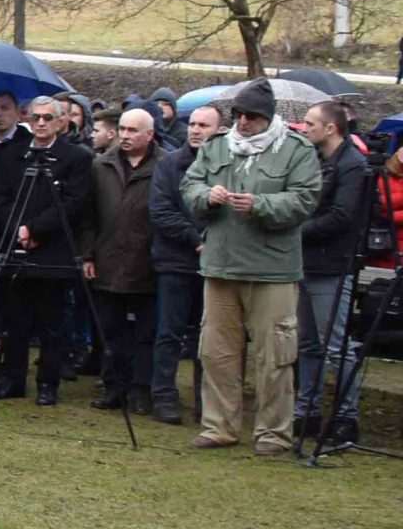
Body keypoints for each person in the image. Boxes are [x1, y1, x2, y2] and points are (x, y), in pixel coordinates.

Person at [183, 79, 321, 455]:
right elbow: (190, 186)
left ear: (269, 118)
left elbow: (306, 198)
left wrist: (261, 205)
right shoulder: (215, 147)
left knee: (275, 355)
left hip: (272, 269)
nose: (243, 122)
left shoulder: (295, 150)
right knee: (217, 352)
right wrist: (206, 197)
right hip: (220, 266)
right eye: (239, 115)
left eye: (252, 117)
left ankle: (273, 433)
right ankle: (219, 426)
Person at [0, 97, 96, 405]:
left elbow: (74, 202)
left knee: (53, 321)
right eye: (35, 117)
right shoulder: (14, 155)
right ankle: (12, 378)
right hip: (17, 246)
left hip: (54, 249)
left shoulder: (75, 158)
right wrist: (19, 230)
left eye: (48, 118)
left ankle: (48, 382)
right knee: (14, 319)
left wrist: (37, 228)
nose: (41, 124)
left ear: (60, 121)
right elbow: (3, 199)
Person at [295, 100, 370, 446]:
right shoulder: (318, 161)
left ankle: (345, 417)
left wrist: (295, 231)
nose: (304, 128)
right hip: (307, 263)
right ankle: (305, 412)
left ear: (331, 128)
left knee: (336, 345)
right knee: (308, 344)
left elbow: (342, 216)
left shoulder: (353, 165)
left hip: (333, 265)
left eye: (311, 123)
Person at [146, 103, 220, 424]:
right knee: (169, 333)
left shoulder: (226, 165)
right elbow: (160, 211)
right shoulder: (170, 164)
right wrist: (195, 238)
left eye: (204, 125)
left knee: (210, 337)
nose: (195, 130)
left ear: (219, 131)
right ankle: (163, 396)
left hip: (216, 264)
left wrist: (211, 241)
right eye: (192, 124)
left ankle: (208, 402)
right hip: (175, 261)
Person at [85, 108, 161, 412]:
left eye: (133, 130)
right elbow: (89, 215)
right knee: (110, 331)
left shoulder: (165, 165)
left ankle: (141, 390)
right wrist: (88, 254)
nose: (126, 136)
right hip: (107, 259)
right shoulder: (101, 165)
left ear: (150, 134)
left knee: (146, 333)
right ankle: (113, 387)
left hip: (148, 262)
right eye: (123, 129)